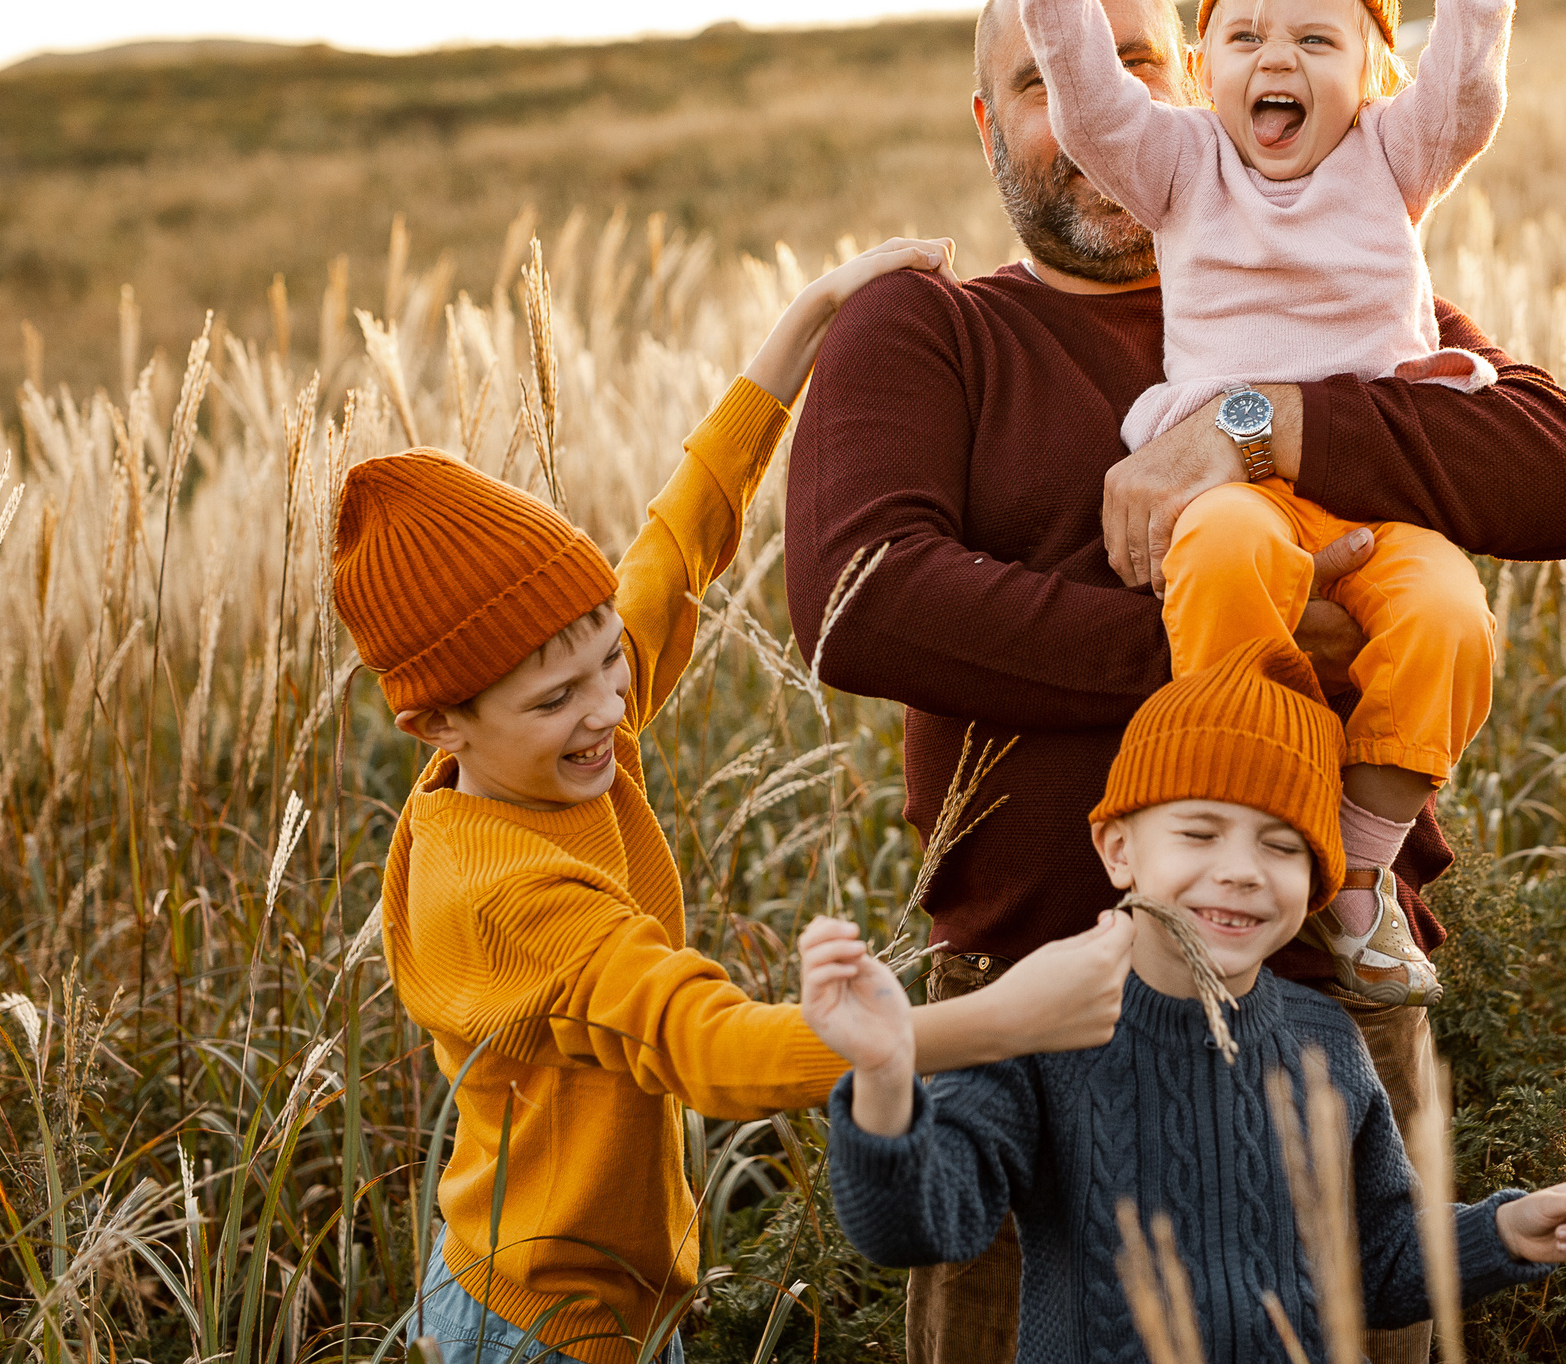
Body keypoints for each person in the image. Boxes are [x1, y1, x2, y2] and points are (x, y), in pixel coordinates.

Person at [782, 0, 1566, 1364]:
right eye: (1043, 78)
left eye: (1131, 63)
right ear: (992, 120)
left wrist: (1262, 420)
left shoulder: (1330, 274)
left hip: (1323, 994)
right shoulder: (938, 329)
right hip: (1047, 1004)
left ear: (1185, 89)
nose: (1087, 110)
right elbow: (858, 602)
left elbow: (1564, 471)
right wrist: (1247, 658)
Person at [333, 236, 1137, 1364]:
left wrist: (805, 324)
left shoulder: (549, 742)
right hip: (545, 1329)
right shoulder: (503, 888)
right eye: (560, 695)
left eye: (611, 659)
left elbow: (673, 547)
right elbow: (706, 1049)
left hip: (599, 1298)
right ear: (435, 726)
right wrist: (1004, 1022)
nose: (612, 707)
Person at [978, 0, 1566, 1009]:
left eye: (1318, 38)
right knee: (1231, 556)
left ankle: (1355, 870)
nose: (1277, 61)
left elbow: (1467, 90)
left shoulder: (1391, 161)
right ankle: (1254, 805)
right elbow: (1093, 106)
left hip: (1371, 504)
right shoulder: (1184, 168)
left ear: (1374, 77)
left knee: (1450, 616)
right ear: (1203, 74)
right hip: (1235, 486)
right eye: (1243, 35)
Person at [800, 639, 1566, 1362]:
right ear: (1118, 847)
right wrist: (884, 1068)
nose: (1240, 869)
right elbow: (917, 1224)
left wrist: (1503, 1230)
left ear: (1318, 880)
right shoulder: (1044, 1023)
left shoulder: (1325, 1040)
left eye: (1281, 844)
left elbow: (1373, 1259)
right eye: (1198, 832)